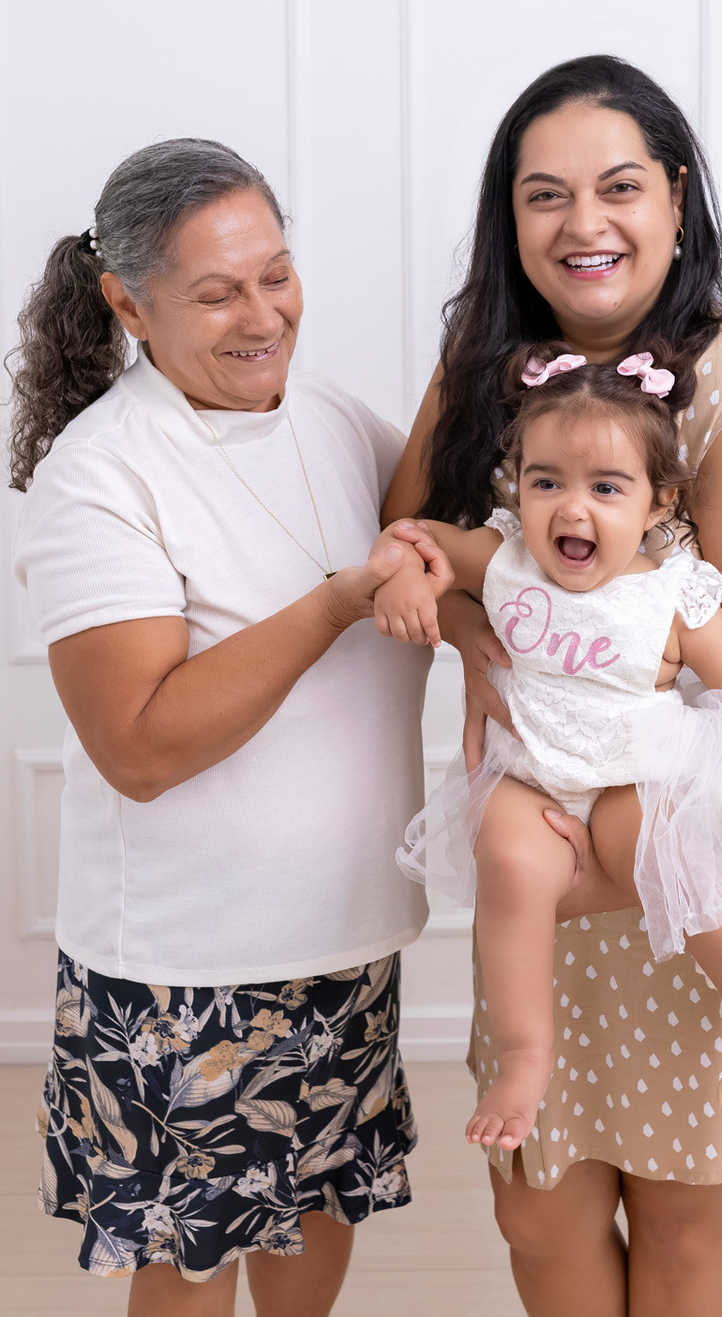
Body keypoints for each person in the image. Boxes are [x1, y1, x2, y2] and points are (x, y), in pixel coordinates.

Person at [383, 54, 722, 1317]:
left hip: (675, 852)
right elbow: (417, 544)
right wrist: (485, 637)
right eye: (544, 195)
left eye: (618, 187)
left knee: (680, 1198)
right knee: (538, 1204)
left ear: (678, 194)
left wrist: (608, 848)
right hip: (538, 826)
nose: (582, 224)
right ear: (510, 218)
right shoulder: (489, 363)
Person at [9, 140, 428, 1317]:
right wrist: (336, 600)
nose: (264, 316)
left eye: (278, 274)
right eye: (218, 292)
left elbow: (443, 561)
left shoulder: (342, 422)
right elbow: (140, 745)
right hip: (188, 973)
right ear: (127, 303)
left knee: (317, 1213)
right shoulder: (102, 475)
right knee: (192, 1263)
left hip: (344, 937)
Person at [380, 343, 722, 1149]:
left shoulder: (672, 595)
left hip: (635, 779)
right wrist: (405, 576)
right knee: (511, 861)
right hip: (531, 779)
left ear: (656, 501)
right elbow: (410, 539)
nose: (572, 510)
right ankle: (525, 1056)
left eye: (606, 488)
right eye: (547, 483)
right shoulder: (504, 560)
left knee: (682, 860)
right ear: (519, 485)